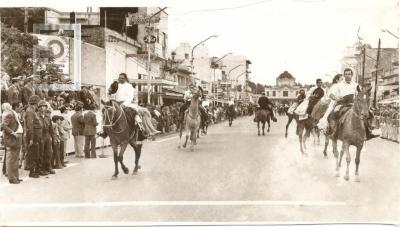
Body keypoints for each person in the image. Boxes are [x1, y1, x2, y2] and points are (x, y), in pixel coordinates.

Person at [327, 68, 379, 140]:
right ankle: (334, 131)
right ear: (344, 75)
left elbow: (361, 94)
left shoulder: (356, 85)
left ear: (351, 75)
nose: (348, 76)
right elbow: (330, 94)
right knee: (334, 113)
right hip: (342, 103)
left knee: (369, 113)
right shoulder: (338, 85)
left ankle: (368, 132)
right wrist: (336, 98)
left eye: (349, 74)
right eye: (346, 74)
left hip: (354, 104)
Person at [1, 103, 23, 184]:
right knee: (11, 158)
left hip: (17, 136)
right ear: (6, 107)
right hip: (12, 138)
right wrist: (12, 133)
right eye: (8, 106)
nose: (10, 106)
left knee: (15, 158)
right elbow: (3, 126)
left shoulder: (11, 113)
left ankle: (15, 176)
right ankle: (12, 178)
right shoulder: (7, 113)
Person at [24, 95, 42, 178]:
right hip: (33, 137)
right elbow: (30, 126)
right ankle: (32, 171)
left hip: (35, 136)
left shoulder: (32, 111)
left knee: (36, 153)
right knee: (33, 154)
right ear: (36, 102)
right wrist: (31, 138)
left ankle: (35, 170)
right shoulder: (30, 111)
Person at [38, 100, 55, 175]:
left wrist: (53, 137)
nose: (43, 108)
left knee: (49, 152)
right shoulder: (36, 116)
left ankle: (48, 167)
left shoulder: (48, 117)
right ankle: (41, 169)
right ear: (38, 108)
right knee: (41, 153)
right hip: (40, 136)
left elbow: (51, 128)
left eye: (44, 106)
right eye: (41, 106)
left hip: (47, 135)